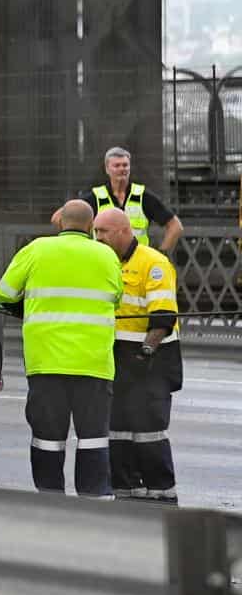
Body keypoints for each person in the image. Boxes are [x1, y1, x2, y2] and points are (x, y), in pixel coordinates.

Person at [0, 199, 122, 499]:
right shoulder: (106, 255)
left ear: (60, 222)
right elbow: (116, 296)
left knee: (47, 439)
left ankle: (50, 497)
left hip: (46, 363)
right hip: (94, 364)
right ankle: (94, 499)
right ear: (91, 227)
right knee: (93, 438)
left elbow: (4, 292)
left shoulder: (37, 249)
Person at [92, 209, 183, 504]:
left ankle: (162, 497)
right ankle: (127, 495)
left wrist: (145, 352)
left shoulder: (153, 263)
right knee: (117, 431)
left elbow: (163, 318)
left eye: (103, 232)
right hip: (117, 356)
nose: (98, 238)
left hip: (152, 357)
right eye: (95, 232)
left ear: (122, 231)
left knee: (149, 432)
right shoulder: (103, 263)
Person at [51, 146, 184, 253]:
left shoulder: (143, 196)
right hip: (103, 262)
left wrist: (161, 255)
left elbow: (175, 226)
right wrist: (83, 244)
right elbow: (58, 217)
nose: (122, 169)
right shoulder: (96, 197)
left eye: (125, 165)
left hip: (137, 265)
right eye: (117, 165)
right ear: (107, 169)